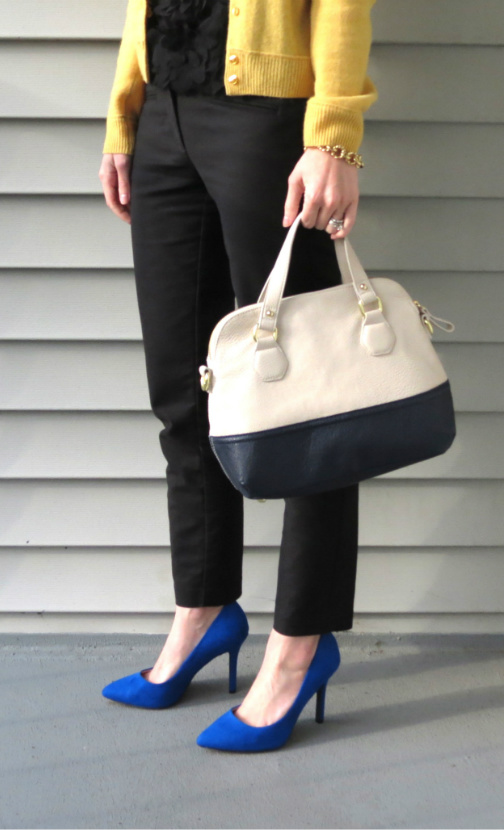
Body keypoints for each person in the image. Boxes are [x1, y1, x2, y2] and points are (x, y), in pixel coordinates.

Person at [98, 0, 378, 752]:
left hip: (269, 120)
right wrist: (127, 113)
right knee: (182, 391)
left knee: (308, 403)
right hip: (166, 113)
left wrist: (334, 138)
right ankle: (203, 607)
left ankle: (300, 644)